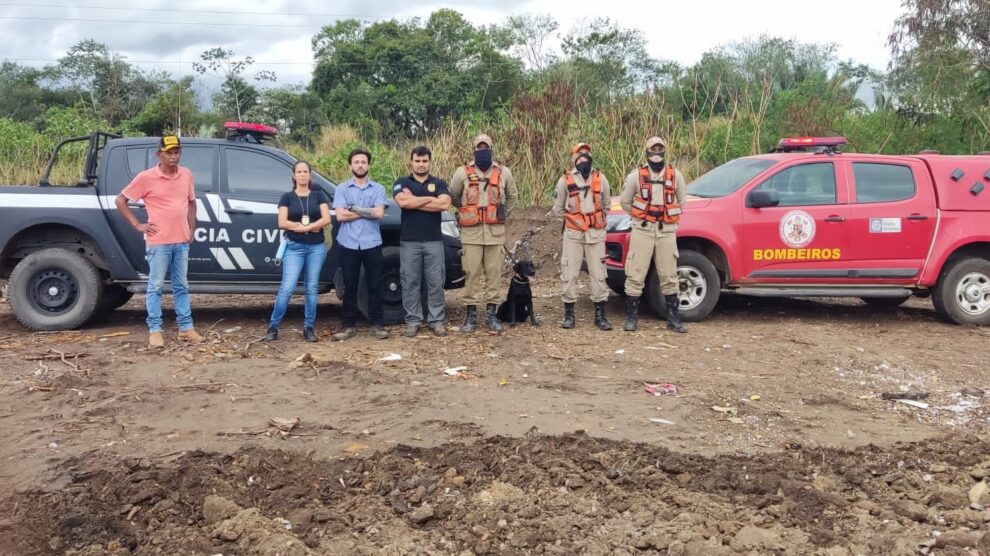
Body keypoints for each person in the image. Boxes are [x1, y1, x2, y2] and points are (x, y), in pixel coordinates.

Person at [114, 135, 204, 347]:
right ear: (159, 154)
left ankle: (186, 328)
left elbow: (191, 203)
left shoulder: (186, 175)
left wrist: (192, 227)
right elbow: (121, 200)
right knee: (155, 286)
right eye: (169, 153)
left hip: (181, 241)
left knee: (181, 285)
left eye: (176, 152)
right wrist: (138, 225)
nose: (174, 157)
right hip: (159, 242)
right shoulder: (146, 177)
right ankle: (155, 330)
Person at [449, 133, 518, 333]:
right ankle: (470, 317)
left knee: (494, 273)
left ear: (491, 148)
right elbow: (453, 195)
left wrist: (502, 212)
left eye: (485, 147)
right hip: (471, 233)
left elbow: (512, 197)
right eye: (479, 148)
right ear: (474, 150)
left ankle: (491, 315)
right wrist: (466, 212)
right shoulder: (462, 172)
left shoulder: (504, 172)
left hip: (495, 233)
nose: (482, 151)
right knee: (471, 273)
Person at [620, 136, 688, 333]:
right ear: (647, 152)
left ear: (664, 152)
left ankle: (673, 318)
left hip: (666, 231)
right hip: (643, 230)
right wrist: (640, 215)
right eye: (653, 149)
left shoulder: (676, 176)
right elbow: (625, 202)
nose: (656, 153)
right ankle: (632, 318)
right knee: (635, 273)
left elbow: (681, 202)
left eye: (660, 149)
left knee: (669, 274)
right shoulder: (635, 176)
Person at [262, 161, 331, 342]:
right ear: (293, 175)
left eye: (305, 171)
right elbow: (282, 222)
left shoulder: (318, 195)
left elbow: (326, 218)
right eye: (299, 172)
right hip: (294, 247)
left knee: (312, 288)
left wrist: (313, 226)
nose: (302, 175)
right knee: (288, 287)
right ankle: (273, 327)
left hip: (316, 247)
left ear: (310, 175)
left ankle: (309, 328)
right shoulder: (287, 197)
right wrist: (300, 227)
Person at [551, 142, 612, 331]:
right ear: (573, 157)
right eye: (579, 153)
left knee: (599, 274)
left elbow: (607, 205)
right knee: (569, 273)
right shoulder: (564, 181)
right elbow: (558, 209)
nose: (583, 156)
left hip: (595, 234)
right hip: (573, 235)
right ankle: (569, 314)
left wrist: (594, 221)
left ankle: (600, 315)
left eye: (586, 152)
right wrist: (575, 222)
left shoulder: (601, 179)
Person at [393, 146, 452, 338]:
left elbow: (444, 204)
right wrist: (429, 200)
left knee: (435, 282)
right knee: (410, 282)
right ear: (411, 162)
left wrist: (416, 200)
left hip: (434, 242)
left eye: (424, 161)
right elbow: (403, 203)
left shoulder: (439, 183)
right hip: (409, 242)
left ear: (429, 162)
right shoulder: (401, 182)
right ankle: (413, 320)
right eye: (417, 161)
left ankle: (436, 321)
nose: (421, 164)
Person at [332, 148, 390, 341]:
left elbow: (379, 214)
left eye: (363, 162)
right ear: (350, 166)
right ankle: (348, 326)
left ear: (368, 165)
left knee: (375, 284)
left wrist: (353, 209)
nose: (360, 165)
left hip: (371, 243)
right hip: (348, 243)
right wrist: (367, 211)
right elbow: (340, 216)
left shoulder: (378, 189)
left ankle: (377, 324)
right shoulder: (341, 189)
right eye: (356, 162)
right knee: (350, 285)